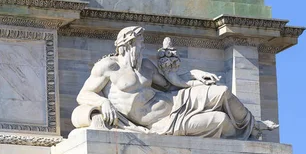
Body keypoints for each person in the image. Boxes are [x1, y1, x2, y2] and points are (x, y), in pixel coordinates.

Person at [73, 26, 278, 140]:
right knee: (221, 120)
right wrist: (102, 103)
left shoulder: (145, 66)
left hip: (175, 100)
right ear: (128, 44)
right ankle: (246, 132)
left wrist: (194, 75)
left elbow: (171, 84)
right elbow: (83, 95)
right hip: (162, 123)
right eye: (140, 42)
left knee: (222, 91)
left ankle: (252, 125)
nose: (143, 46)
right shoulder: (108, 67)